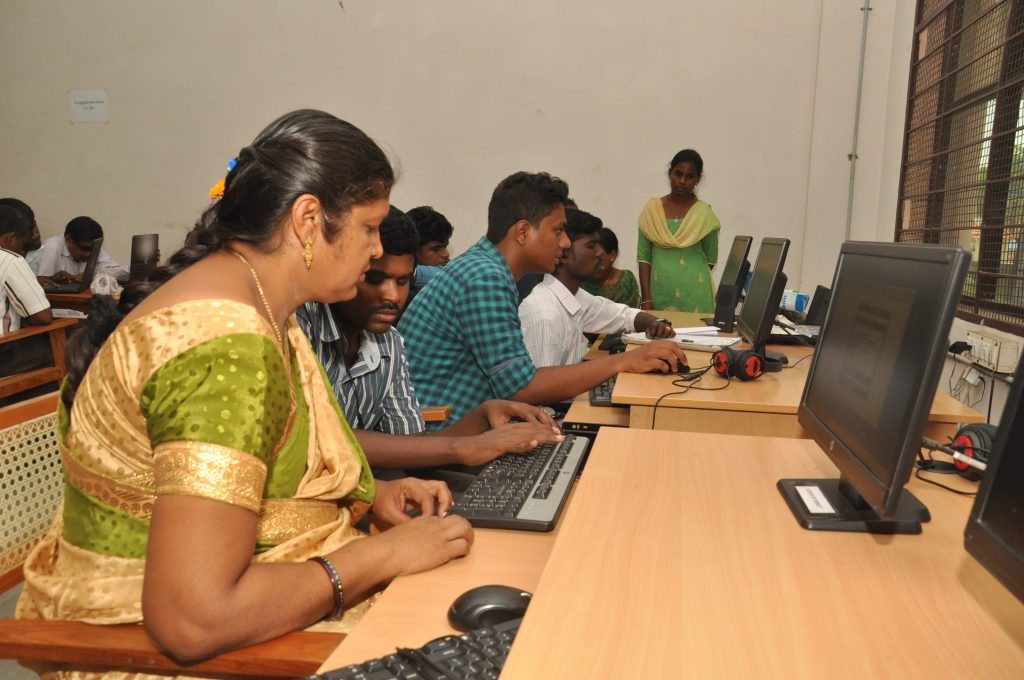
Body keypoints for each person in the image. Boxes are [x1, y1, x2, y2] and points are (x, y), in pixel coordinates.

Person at [17, 110, 474, 671]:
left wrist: (367, 497)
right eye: (369, 226)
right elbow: (193, 620)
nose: (377, 250)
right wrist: (377, 557)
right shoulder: (226, 346)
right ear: (308, 219)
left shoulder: (248, 302)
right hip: (167, 653)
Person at [398, 171, 688, 428]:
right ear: (523, 232)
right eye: (558, 231)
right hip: (440, 436)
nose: (564, 244)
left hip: (466, 428)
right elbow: (521, 388)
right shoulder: (485, 278)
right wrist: (622, 362)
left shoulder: (487, 268)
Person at [297, 205, 562, 471]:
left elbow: (410, 445)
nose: (392, 296)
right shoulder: (300, 329)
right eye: (375, 279)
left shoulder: (390, 343)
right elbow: (314, 438)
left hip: (372, 484)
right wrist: (464, 447)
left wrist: (483, 415)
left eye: (402, 282)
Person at [520, 208, 674, 367]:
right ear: (564, 252)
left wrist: (656, 323)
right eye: (591, 246)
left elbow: (622, 316)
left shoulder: (573, 297)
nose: (600, 253)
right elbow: (543, 388)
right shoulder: (546, 315)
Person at [637, 149, 720, 313]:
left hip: (695, 294)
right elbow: (643, 257)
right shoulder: (652, 210)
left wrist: (687, 278)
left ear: (698, 180)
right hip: (658, 292)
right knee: (659, 338)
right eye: (678, 174)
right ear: (669, 173)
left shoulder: (704, 214)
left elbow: (711, 258)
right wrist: (646, 297)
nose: (682, 181)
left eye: (690, 177)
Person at [0, 205, 55, 400]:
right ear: (9, 238)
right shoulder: (9, 259)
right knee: (69, 348)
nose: (23, 250)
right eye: (22, 243)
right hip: (4, 355)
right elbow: (43, 316)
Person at [35, 215, 127, 280]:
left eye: (92, 250)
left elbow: (118, 271)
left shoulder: (91, 247)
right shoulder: (52, 247)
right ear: (68, 239)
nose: (88, 254)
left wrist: (95, 274)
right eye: (84, 248)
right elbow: (44, 283)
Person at [579, 226, 641, 307]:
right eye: (590, 257)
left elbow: (629, 315)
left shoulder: (626, 282)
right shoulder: (581, 281)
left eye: (598, 257)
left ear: (613, 255)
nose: (593, 262)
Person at [0, 197, 43, 275]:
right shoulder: (10, 260)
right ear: (10, 238)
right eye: (29, 230)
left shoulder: (43, 253)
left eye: (34, 225)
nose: (35, 236)